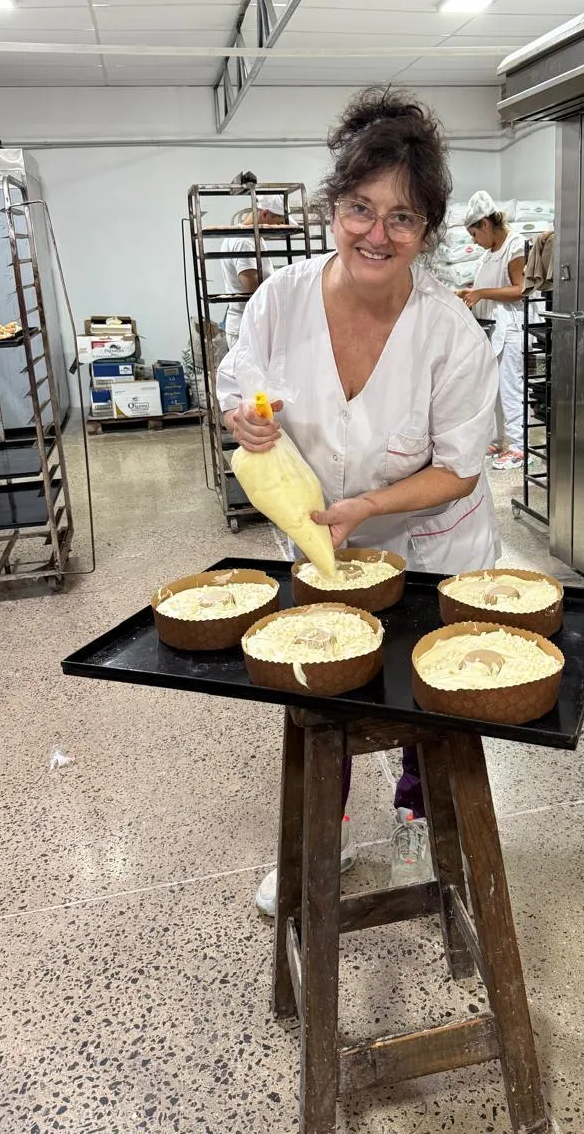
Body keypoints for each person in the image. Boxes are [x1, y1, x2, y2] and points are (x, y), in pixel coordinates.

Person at [216, 87, 500, 917]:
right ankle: (323, 839)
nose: (377, 233)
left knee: (427, 694)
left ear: (428, 230)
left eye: (402, 217)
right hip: (325, 545)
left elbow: (459, 469)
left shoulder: (449, 333)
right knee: (323, 690)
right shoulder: (281, 301)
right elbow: (245, 391)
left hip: (432, 545)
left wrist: (368, 505)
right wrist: (248, 420)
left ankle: (419, 828)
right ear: (332, 208)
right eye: (360, 209)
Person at [458, 192, 527, 470]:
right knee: (493, 390)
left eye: (475, 234)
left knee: (511, 389)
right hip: (492, 331)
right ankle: (497, 440)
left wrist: (482, 293)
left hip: (511, 331)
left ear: (485, 225)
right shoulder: (488, 255)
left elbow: (520, 290)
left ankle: (519, 446)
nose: (474, 241)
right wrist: (468, 294)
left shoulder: (515, 246)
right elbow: (483, 290)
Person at [215, 194, 289, 352]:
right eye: (279, 223)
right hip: (246, 328)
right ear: (265, 214)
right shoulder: (243, 242)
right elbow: (253, 289)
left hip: (252, 325)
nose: (279, 229)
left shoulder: (252, 238)